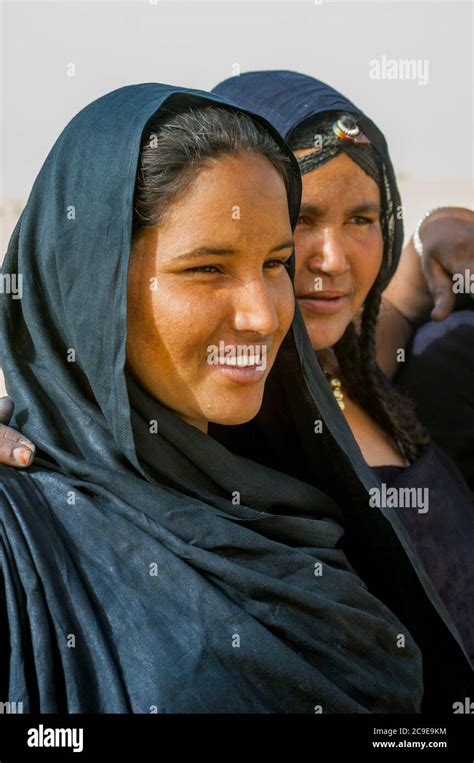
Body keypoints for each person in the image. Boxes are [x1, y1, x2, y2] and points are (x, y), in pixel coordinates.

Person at [0, 81, 471, 713]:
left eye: (275, 263)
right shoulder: (22, 533)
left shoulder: (291, 494)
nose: (261, 315)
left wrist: (435, 235)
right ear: (90, 282)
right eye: (207, 269)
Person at [212, 70, 474, 664]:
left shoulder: (357, 370)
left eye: (361, 220)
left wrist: (439, 235)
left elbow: (401, 302)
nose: (332, 259)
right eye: (300, 219)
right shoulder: (216, 409)